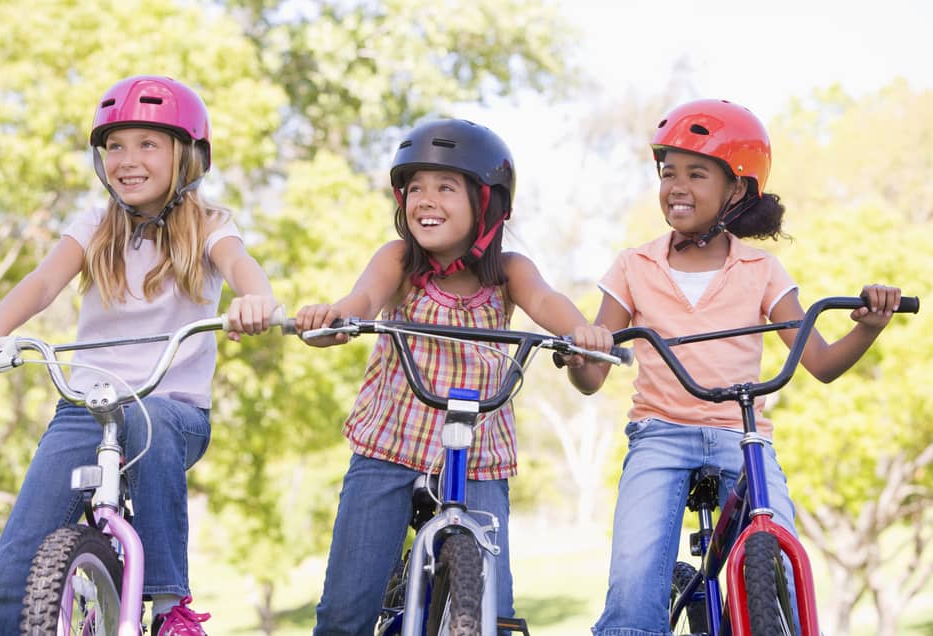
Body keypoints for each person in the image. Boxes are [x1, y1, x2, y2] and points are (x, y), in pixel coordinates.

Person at [0, 75, 279, 636]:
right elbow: (42, 283)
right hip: (88, 409)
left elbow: (241, 268)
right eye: (114, 146)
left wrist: (258, 300)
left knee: (146, 418)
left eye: (147, 144)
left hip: (171, 412)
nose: (127, 160)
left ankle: (171, 604)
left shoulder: (209, 227)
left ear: (187, 156)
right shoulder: (95, 226)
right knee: (12, 573)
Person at [575, 98, 902, 636]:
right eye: (667, 173)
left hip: (741, 434)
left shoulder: (761, 269)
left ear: (737, 189)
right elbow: (592, 376)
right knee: (633, 589)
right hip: (660, 433)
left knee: (781, 565)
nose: (676, 185)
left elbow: (819, 362)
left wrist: (868, 326)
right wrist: (581, 350)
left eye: (696, 173)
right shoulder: (635, 265)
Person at [295, 118, 612, 635]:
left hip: (479, 456)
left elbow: (548, 302)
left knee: (496, 610)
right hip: (390, 447)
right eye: (414, 187)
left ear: (487, 205)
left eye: (445, 187)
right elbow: (363, 300)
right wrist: (334, 319)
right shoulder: (399, 260)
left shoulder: (509, 271)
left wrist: (582, 333)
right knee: (345, 611)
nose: (425, 199)